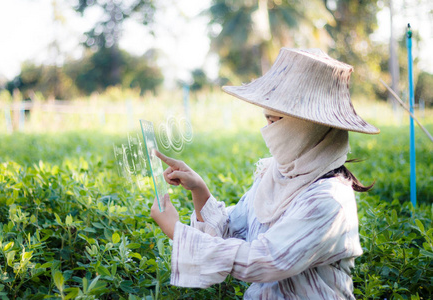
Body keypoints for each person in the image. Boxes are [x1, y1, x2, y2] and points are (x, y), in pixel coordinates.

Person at [150, 48, 379, 299]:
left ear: (309, 128)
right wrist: (199, 190)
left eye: (275, 121)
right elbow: (233, 232)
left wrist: (177, 231)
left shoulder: (329, 200)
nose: (267, 131)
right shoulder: (276, 174)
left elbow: (263, 260)